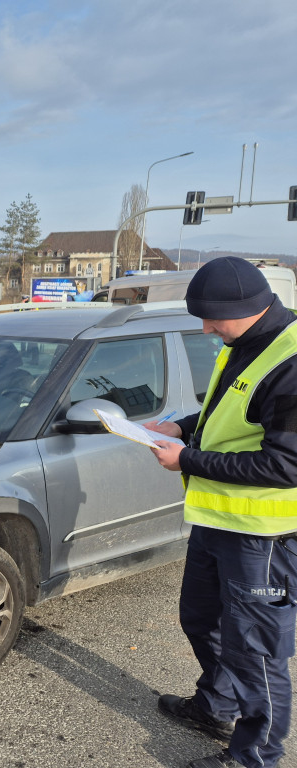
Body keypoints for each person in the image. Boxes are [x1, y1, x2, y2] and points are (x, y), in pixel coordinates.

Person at [146, 257, 297, 768]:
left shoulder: (291, 360)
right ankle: (216, 707)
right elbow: (227, 412)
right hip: (218, 521)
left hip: (264, 536)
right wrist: (184, 429)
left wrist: (186, 459)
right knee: (200, 619)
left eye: (213, 319)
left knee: (254, 650)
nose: (207, 330)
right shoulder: (243, 341)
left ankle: (255, 757)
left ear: (251, 307)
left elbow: (285, 464)